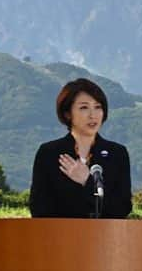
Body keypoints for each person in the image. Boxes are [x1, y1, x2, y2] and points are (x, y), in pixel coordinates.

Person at [29, 78, 133, 219]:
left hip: (106, 238)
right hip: (61, 238)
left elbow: (121, 208)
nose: (93, 115)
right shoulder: (49, 153)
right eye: (84, 107)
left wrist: (87, 181)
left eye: (98, 107)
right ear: (67, 113)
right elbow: (39, 209)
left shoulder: (117, 153)